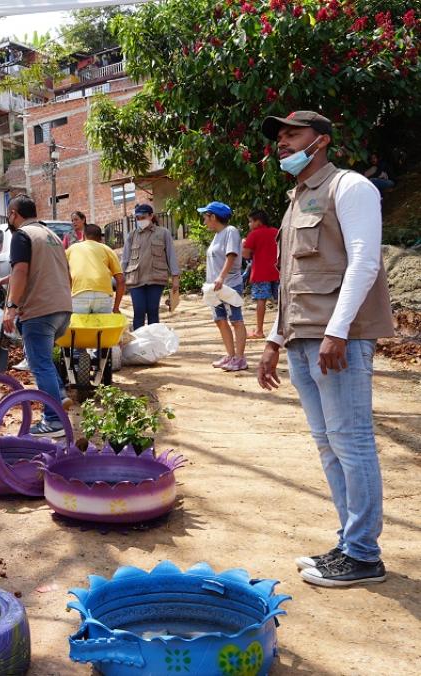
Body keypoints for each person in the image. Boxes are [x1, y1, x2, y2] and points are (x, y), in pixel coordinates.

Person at [257, 111, 393, 588]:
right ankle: (348, 542)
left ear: (321, 141)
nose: (282, 143)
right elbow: (290, 283)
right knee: (329, 445)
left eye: (292, 134)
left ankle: (363, 555)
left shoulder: (351, 188)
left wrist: (338, 331)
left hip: (338, 341)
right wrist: (274, 340)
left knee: (352, 442)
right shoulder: (295, 201)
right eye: (279, 136)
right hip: (302, 338)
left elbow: (364, 262)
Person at [1, 196, 71, 437]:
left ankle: (54, 421)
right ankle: (59, 397)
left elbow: (21, 270)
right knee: (45, 361)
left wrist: (11, 307)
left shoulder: (22, 235)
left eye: (9, 215)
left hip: (39, 311)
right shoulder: (50, 235)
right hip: (62, 309)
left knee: (39, 363)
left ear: (13, 213)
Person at [200, 201, 248, 372]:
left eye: (205, 217)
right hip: (215, 287)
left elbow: (232, 255)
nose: (204, 221)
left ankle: (240, 358)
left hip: (230, 285)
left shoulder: (230, 231)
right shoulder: (216, 236)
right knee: (220, 320)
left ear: (213, 216)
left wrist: (221, 277)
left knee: (236, 320)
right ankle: (230, 355)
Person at [121, 203, 179, 330]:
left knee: (153, 311)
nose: (140, 221)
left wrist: (175, 278)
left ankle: (153, 344)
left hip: (156, 278)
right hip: (135, 279)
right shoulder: (131, 235)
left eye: (143, 217)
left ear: (151, 216)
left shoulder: (163, 233)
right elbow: (125, 259)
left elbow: (171, 256)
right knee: (139, 311)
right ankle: (138, 344)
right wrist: (121, 278)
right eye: (138, 218)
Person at [67, 223, 125, 314]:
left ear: (84, 236)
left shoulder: (72, 249)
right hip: (103, 295)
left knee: (80, 327)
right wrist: (116, 308)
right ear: (100, 238)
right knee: (102, 327)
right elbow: (121, 280)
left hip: (79, 294)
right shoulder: (108, 250)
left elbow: (63, 274)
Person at [242, 209, 280, 339]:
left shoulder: (254, 234)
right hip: (277, 272)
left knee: (261, 300)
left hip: (260, 273)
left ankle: (259, 330)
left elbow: (246, 254)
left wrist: (244, 245)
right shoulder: (276, 232)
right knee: (282, 301)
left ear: (258, 222)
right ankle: (284, 331)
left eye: (250, 221)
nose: (249, 224)